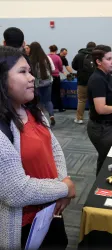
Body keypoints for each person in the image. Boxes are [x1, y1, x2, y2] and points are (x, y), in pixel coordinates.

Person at [0, 46, 76, 249]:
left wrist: (62, 181)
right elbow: (16, 191)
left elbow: (54, 149)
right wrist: (64, 188)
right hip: (22, 224)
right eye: (23, 72)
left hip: (49, 210)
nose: (32, 77)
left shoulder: (34, 112)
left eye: (30, 71)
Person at [87, 45, 112, 176]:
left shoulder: (107, 75)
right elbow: (101, 109)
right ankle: (100, 190)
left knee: (106, 159)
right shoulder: (97, 79)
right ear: (98, 62)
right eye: (108, 59)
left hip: (109, 126)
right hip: (101, 129)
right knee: (106, 162)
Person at [30, 42, 56, 126]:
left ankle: (41, 119)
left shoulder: (30, 60)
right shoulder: (47, 58)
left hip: (37, 84)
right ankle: (51, 115)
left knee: (39, 102)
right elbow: (53, 68)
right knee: (48, 100)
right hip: (48, 82)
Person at [72, 41, 96, 124]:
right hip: (95, 81)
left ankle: (79, 118)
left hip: (82, 81)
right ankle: (92, 118)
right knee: (93, 100)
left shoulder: (79, 55)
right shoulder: (97, 55)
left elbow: (74, 66)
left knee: (81, 100)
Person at [48, 44, 65, 112]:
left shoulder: (46, 56)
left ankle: (50, 107)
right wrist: (62, 71)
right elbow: (60, 67)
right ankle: (60, 108)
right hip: (56, 77)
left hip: (48, 77)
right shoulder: (58, 57)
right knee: (57, 93)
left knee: (49, 93)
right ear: (56, 50)